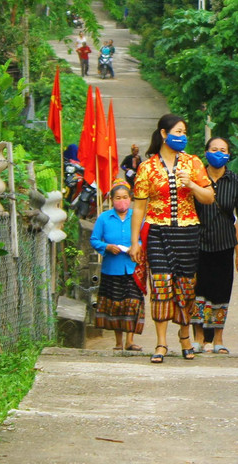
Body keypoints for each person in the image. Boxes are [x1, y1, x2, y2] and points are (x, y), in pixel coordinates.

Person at [128, 114, 215, 364]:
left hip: (187, 231)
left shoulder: (193, 163)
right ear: (164, 134)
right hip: (157, 230)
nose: (182, 137)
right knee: (161, 283)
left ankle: (185, 336)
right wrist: (136, 241)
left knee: (186, 286)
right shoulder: (147, 167)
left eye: (184, 132)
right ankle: (161, 342)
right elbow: (139, 207)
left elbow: (208, 197)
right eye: (177, 132)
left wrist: (192, 185)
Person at [191, 136, 238, 354]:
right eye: (214, 149)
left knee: (221, 291)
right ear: (206, 152)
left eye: (223, 149)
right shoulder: (196, 179)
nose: (218, 153)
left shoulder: (235, 181)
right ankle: (199, 338)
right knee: (198, 291)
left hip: (225, 244)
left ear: (229, 154)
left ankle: (218, 338)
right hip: (198, 243)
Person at [91, 180, 144, 351]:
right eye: (118, 198)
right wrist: (106, 247)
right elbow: (94, 240)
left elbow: (144, 239)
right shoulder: (104, 218)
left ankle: (130, 340)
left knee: (132, 303)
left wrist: (137, 247)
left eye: (125, 197)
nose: (122, 201)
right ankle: (118, 342)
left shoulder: (137, 217)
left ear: (130, 199)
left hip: (132, 267)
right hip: (111, 268)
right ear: (112, 200)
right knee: (116, 304)